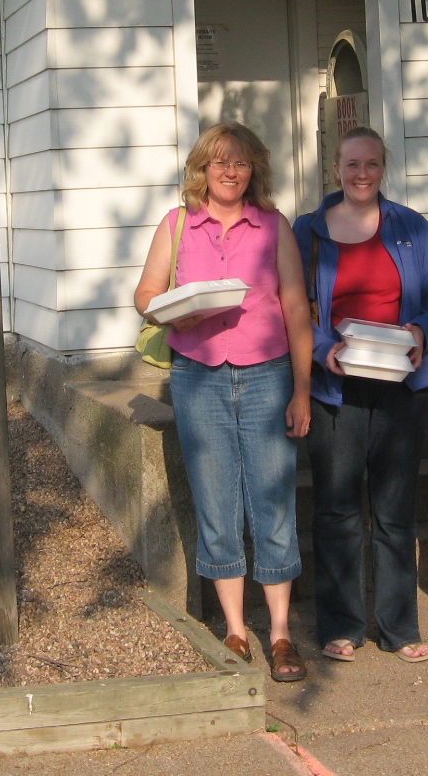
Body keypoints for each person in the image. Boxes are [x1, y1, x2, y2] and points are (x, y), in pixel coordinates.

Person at [134, 121, 314, 683]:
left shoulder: (274, 226)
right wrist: (173, 310)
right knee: (216, 500)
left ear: (253, 169)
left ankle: (281, 633)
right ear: (202, 170)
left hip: (267, 376)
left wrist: (303, 390)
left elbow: (296, 310)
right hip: (199, 377)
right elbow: (145, 295)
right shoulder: (178, 223)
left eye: (239, 163)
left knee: (273, 500)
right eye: (219, 163)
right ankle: (236, 631)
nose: (230, 172)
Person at [293, 127, 428, 665]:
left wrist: (420, 334)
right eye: (351, 165)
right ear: (335, 169)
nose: (362, 174)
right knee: (336, 509)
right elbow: (290, 305)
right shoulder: (308, 232)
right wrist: (321, 349)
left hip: (399, 383)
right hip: (336, 387)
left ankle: (399, 627)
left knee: (395, 509)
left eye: (372, 165)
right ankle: (341, 625)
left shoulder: (411, 226)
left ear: (384, 167)